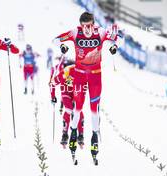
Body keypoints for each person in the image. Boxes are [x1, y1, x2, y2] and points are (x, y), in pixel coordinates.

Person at [53, 12, 119, 160]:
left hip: (95, 75)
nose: (87, 29)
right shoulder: (75, 32)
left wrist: (114, 46)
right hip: (79, 74)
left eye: (89, 26)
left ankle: (94, 136)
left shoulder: (100, 32)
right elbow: (56, 40)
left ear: (93, 23)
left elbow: (118, 38)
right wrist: (63, 46)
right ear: (80, 25)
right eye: (84, 26)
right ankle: (74, 131)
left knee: (94, 108)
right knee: (78, 106)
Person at [49, 60, 85, 148]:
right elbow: (52, 84)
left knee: (78, 110)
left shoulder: (83, 72)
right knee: (68, 109)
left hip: (77, 90)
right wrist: (53, 97)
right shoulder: (65, 72)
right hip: (66, 92)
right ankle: (65, 134)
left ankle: (80, 134)